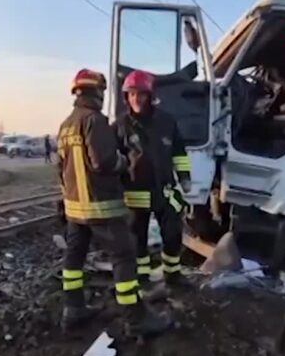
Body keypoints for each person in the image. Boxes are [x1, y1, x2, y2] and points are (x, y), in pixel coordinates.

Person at [57, 68, 171, 337]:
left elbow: (61, 169)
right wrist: (126, 162)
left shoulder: (66, 125)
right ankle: (136, 318)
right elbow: (104, 161)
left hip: (75, 210)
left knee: (74, 259)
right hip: (101, 207)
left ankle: (73, 310)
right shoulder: (94, 120)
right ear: (97, 92)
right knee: (124, 256)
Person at [113, 70, 193, 292]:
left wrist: (185, 178)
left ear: (150, 96)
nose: (136, 99)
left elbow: (179, 152)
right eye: (131, 94)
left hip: (165, 190)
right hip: (135, 193)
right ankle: (142, 277)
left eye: (140, 94)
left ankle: (173, 275)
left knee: (173, 233)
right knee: (137, 239)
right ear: (126, 97)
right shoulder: (119, 126)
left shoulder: (167, 122)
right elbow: (111, 161)